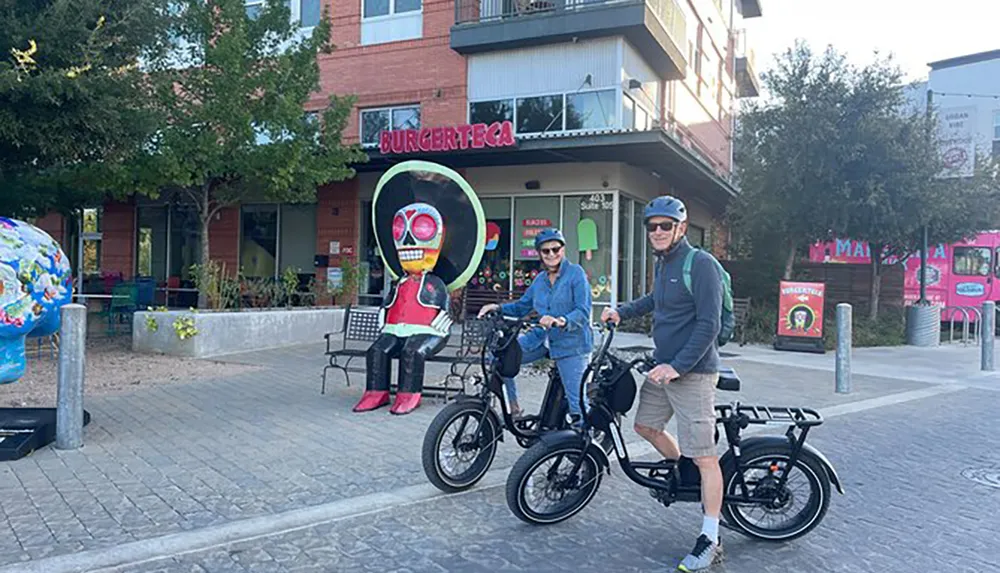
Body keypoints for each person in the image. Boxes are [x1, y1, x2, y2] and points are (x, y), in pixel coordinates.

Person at [602, 196, 725, 572]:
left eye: (665, 225)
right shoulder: (666, 263)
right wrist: (621, 311)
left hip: (695, 372)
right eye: (652, 226)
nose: (657, 232)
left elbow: (710, 324)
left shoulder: (700, 264)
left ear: (681, 228)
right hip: (663, 368)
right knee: (646, 427)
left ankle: (711, 538)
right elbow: (656, 301)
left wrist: (677, 366)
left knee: (705, 456)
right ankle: (682, 471)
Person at [478, 228, 593, 424]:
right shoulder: (540, 280)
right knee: (500, 357)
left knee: (577, 403)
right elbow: (522, 306)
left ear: (563, 250)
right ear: (540, 253)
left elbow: (582, 311)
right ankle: (513, 408)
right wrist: (496, 308)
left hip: (571, 342)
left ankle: (586, 444)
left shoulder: (575, 274)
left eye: (555, 249)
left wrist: (561, 320)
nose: (551, 254)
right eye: (546, 251)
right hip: (543, 338)